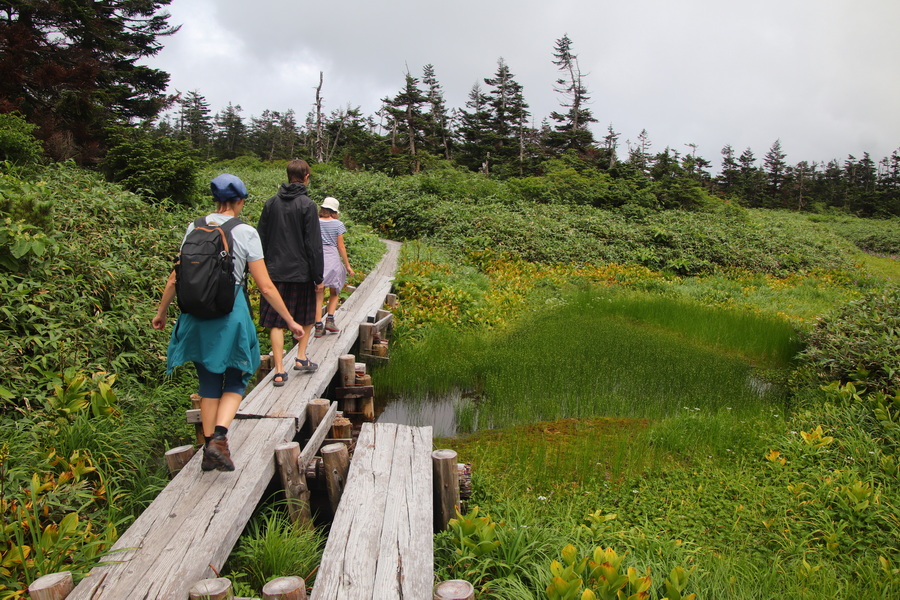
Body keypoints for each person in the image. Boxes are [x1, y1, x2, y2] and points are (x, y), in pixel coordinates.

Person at [152, 174, 305, 472]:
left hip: (195, 315)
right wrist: (290, 320)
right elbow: (266, 287)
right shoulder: (245, 231)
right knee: (238, 376)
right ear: (240, 200)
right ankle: (219, 439)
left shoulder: (193, 226)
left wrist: (161, 312)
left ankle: (209, 447)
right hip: (229, 314)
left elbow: (176, 276)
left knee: (208, 380)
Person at [256, 159, 324, 386]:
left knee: (276, 321)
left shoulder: (271, 203)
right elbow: (313, 245)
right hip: (301, 272)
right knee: (305, 316)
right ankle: (301, 358)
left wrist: (262, 269)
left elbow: (261, 239)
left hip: (273, 273)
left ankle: (278, 370)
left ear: (287, 175)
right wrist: (318, 276)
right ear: (306, 177)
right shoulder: (307, 205)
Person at [314, 196, 355, 338]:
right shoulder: (337, 224)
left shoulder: (315, 222)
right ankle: (330, 319)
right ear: (334, 211)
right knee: (335, 291)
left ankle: (318, 327)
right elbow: (341, 246)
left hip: (318, 258)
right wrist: (348, 266)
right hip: (332, 257)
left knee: (318, 294)